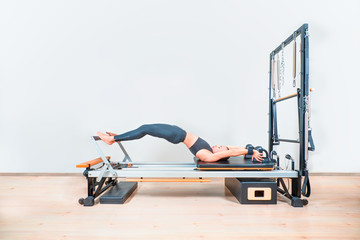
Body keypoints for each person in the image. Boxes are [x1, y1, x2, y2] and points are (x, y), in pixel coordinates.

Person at [97, 123, 264, 162]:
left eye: (218, 148)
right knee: (144, 129)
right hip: (178, 132)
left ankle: (112, 139)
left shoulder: (207, 155)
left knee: (145, 129)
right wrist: (250, 149)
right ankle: (120, 136)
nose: (217, 146)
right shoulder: (213, 151)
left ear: (218, 154)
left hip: (177, 135)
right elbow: (232, 148)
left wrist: (249, 153)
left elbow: (230, 152)